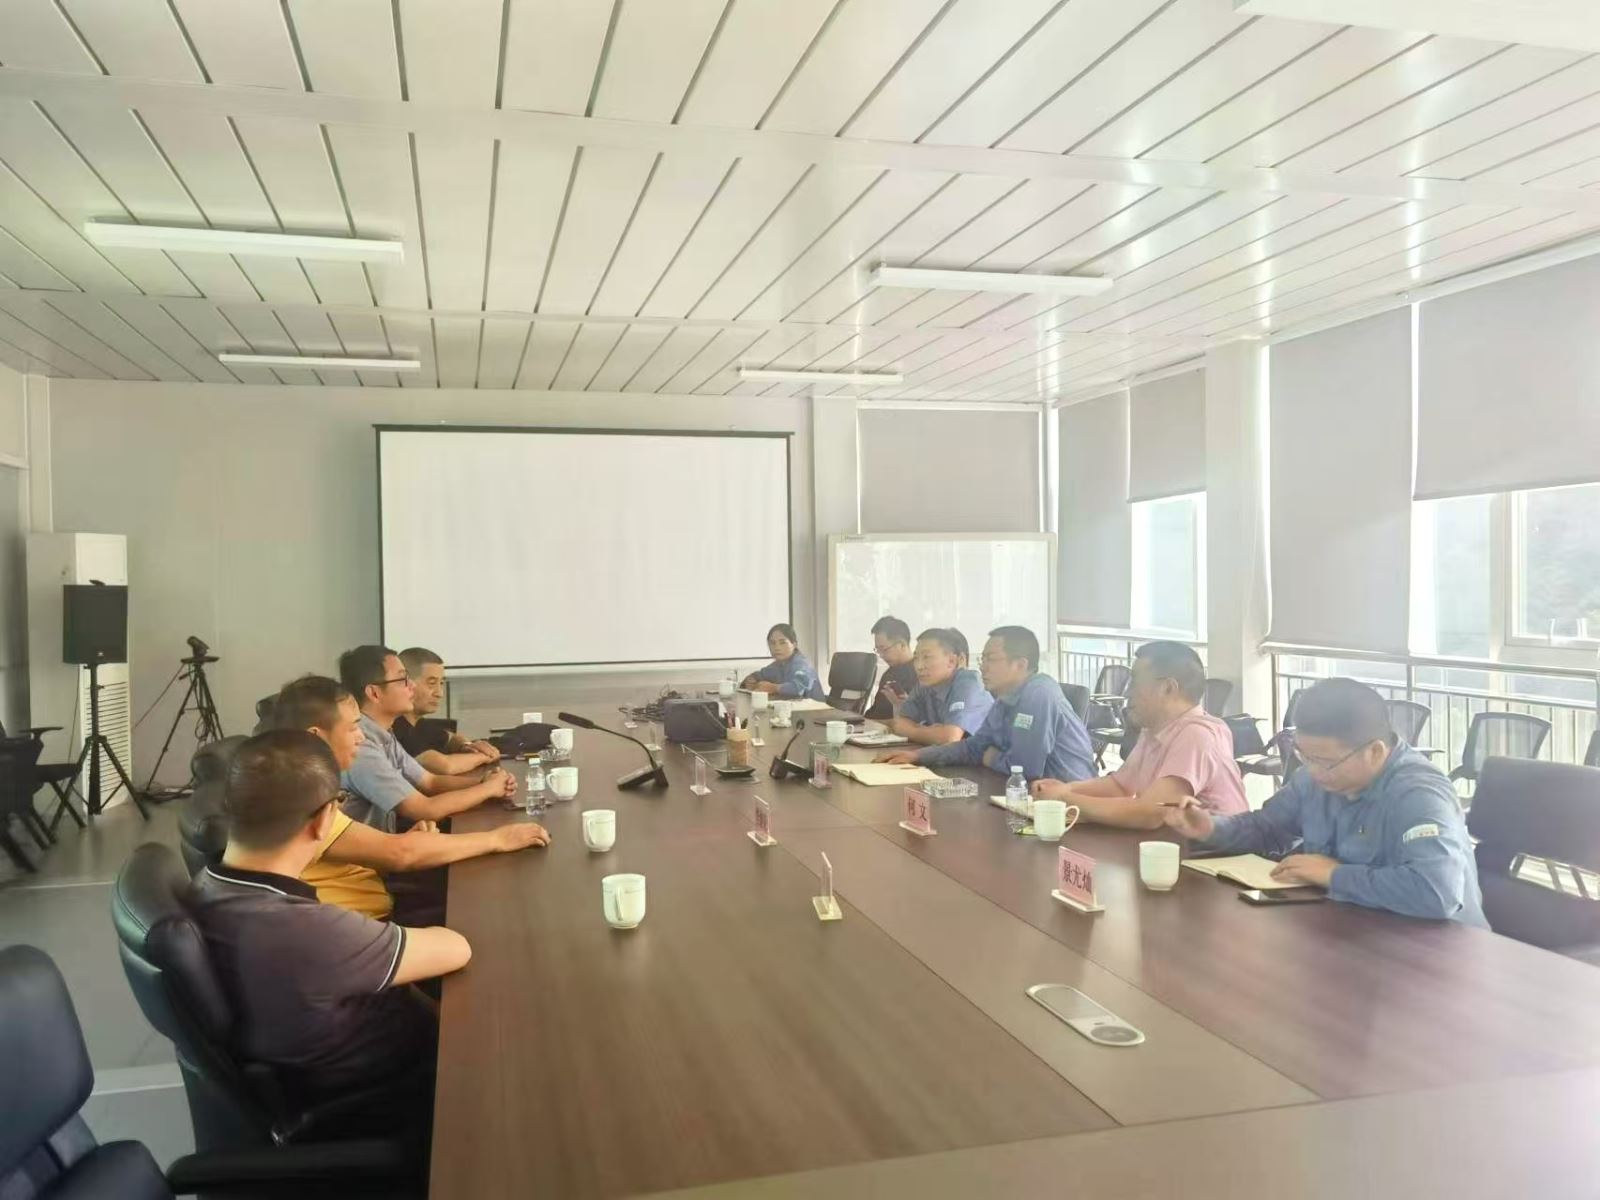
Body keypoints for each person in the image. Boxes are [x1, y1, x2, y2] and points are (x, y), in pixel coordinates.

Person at [187, 729, 467, 1125]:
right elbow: (455, 948)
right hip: (397, 1090)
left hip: (328, 1067)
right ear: (323, 820)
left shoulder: (208, 886)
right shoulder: (302, 930)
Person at [1163, 677, 1488, 927]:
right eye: (1305, 757)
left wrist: (1334, 875)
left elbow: (1436, 893)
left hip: (1439, 953)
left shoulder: (1419, 794)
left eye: (1325, 762)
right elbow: (1267, 828)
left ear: (1374, 751)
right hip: (1352, 931)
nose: (1314, 771)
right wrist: (1210, 827)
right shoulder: (1312, 778)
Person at [273, 674, 549, 922]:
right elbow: (400, 854)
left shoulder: (314, 785)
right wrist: (498, 839)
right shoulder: (301, 801)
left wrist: (408, 841)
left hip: (374, 900)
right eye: (352, 728)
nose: (360, 737)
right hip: (357, 926)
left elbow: (382, 848)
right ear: (315, 737)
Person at [1033, 641, 1247, 829]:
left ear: (1168, 688)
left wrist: (1065, 798)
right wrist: (1065, 788)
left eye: (1134, 682)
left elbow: (1151, 813)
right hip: (1178, 848)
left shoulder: (1197, 735)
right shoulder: (1154, 729)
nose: (1127, 692)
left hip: (1220, 857)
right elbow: (1120, 786)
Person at [337, 645, 517, 833]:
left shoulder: (384, 733)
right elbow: (425, 809)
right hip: (375, 850)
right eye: (403, 679)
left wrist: (484, 782)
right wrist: (489, 789)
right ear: (374, 693)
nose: (412, 686)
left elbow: (430, 782)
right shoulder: (361, 745)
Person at [880, 626, 1093, 783]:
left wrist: (989, 757)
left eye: (991, 659)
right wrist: (918, 756)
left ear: (1020, 665)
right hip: (1024, 796)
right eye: (982, 659)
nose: (983, 667)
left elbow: (1024, 770)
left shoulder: (1039, 694)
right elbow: (974, 747)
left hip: (1070, 807)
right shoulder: (1004, 698)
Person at [395, 647, 502, 775]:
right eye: (431, 683)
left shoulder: (418, 723)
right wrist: (485, 755)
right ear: (406, 684)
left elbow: (450, 738)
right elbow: (445, 766)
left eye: (441, 683)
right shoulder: (395, 727)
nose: (439, 693)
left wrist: (467, 746)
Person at [883, 627, 992, 746]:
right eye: (916, 658)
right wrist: (931, 732)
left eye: (927, 657)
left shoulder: (968, 682)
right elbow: (900, 723)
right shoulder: (924, 684)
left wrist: (914, 730)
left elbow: (949, 738)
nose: (919, 666)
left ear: (951, 661)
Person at [740, 623, 824, 701]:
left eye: (782, 643)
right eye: (772, 643)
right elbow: (760, 674)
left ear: (794, 644)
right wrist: (751, 680)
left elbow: (798, 688)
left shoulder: (802, 664)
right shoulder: (778, 664)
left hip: (814, 710)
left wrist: (773, 688)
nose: (777, 647)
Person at [864, 616, 919, 720]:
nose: (881, 655)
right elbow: (875, 711)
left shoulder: (921, 674)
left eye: (884, 649)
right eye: (878, 650)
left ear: (902, 645)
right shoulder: (888, 674)